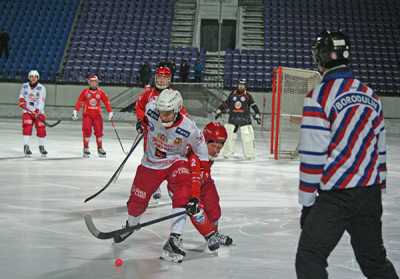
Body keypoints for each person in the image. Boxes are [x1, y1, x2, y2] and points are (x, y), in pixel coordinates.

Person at [295, 30, 398, 279]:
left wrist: (307, 202)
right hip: (369, 193)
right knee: (373, 260)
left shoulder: (318, 96)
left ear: (319, 58)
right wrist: (376, 190)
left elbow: (312, 154)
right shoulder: (370, 95)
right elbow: (380, 147)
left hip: (336, 196)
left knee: (309, 257)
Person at [120, 89, 221, 263]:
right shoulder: (151, 109)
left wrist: (203, 171)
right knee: (137, 203)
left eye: (167, 113)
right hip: (151, 163)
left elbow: (202, 151)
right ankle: (131, 224)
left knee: (184, 192)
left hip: (176, 161)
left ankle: (174, 239)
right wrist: (142, 123)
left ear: (177, 111)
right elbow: (142, 114)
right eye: (161, 112)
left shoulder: (189, 128)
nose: (163, 116)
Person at [135, 65, 187, 201]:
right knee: (151, 159)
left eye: (165, 77)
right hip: (151, 135)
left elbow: (183, 113)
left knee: (171, 160)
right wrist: (141, 121)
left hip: (169, 136)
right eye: (159, 77)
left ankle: (173, 185)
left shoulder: (174, 95)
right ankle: (154, 186)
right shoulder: (148, 94)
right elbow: (139, 107)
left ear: (169, 79)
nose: (161, 80)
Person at [186, 121, 233, 247]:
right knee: (197, 209)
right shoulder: (194, 154)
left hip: (204, 181)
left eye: (220, 148)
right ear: (205, 141)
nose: (217, 151)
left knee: (213, 206)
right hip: (189, 184)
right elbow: (194, 176)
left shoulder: (208, 152)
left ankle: (215, 233)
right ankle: (209, 235)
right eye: (214, 147)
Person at [215, 79, 261, 160]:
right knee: (228, 137)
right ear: (237, 85)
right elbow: (226, 104)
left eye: (243, 85)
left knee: (248, 139)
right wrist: (219, 110)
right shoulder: (232, 94)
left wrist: (257, 114)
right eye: (240, 85)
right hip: (233, 119)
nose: (241, 86)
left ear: (245, 86)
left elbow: (254, 106)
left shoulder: (248, 96)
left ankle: (249, 155)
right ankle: (226, 153)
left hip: (245, 120)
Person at [72, 74, 113, 158]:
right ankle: (86, 148)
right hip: (87, 115)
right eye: (92, 82)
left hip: (97, 116)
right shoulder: (85, 92)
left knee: (99, 132)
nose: (94, 83)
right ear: (89, 82)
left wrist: (110, 112)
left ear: (97, 82)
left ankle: (100, 148)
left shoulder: (101, 92)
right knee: (86, 131)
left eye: (95, 82)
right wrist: (75, 110)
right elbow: (79, 101)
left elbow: (106, 102)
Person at [18, 70, 48, 157]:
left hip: (39, 112)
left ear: (38, 78)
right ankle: (26, 147)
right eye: (31, 76)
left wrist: (37, 111)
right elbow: (21, 95)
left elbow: (42, 101)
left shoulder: (42, 88)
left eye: (35, 76)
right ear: (29, 77)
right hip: (27, 111)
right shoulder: (24, 86)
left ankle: (42, 147)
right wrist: (21, 101)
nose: (33, 78)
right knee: (27, 127)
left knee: (41, 128)